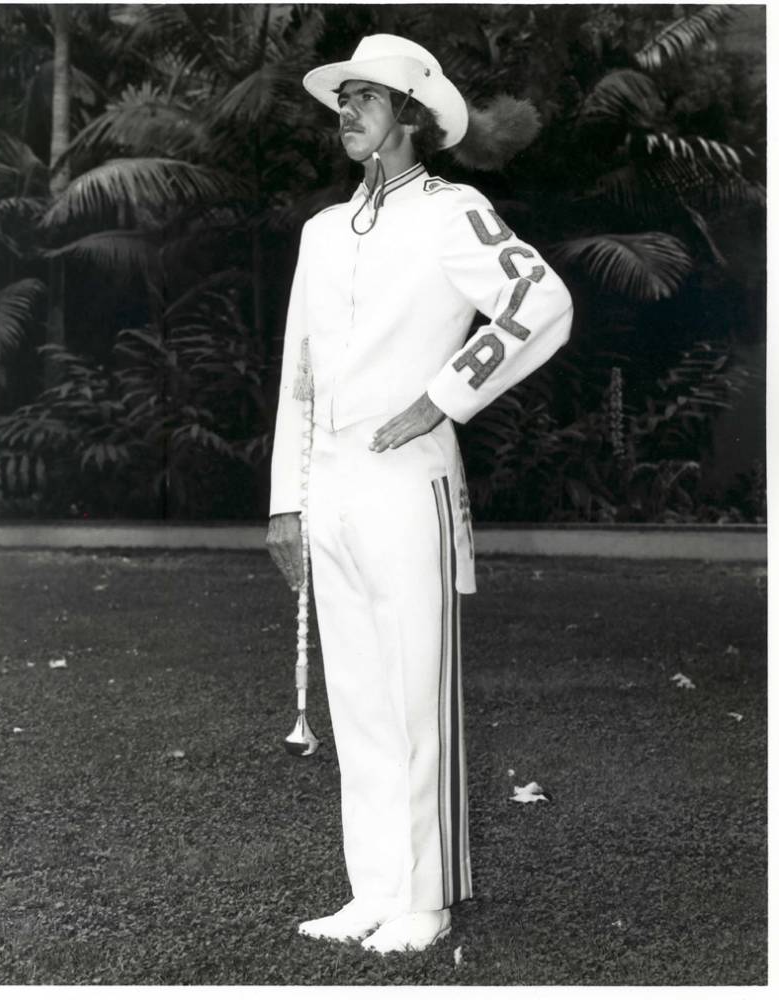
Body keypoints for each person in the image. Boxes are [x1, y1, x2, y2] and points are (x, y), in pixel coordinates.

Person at [267, 34, 573, 954]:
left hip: (410, 485)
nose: (346, 113)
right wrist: (287, 498)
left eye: (364, 99)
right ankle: (374, 890)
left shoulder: (453, 212)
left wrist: (440, 398)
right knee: (356, 696)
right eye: (342, 99)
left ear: (408, 118)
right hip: (334, 490)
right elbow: (300, 374)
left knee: (413, 696)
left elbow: (541, 299)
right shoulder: (324, 231)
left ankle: (426, 898)